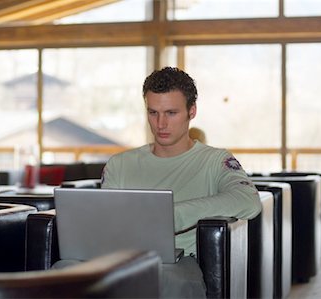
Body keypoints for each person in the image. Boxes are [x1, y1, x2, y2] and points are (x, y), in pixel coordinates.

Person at [101, 66, 262, 298]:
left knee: (161, 281)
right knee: (62, 271)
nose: (160, 124)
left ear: (192, 111)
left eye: (171, 113)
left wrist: (172, 215)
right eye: (153, 113)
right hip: (122, 257)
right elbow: (105, 221)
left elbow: (249, 201)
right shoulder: (119, 164)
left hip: (178, 261)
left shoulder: (216, 160)